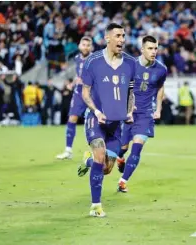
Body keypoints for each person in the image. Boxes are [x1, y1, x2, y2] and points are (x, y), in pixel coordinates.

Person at [77, 23, 136, 217]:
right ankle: (96, 206)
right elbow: (85, 93)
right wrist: (95, 111)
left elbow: (130, 92)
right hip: (96, 120)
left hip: (116, 124)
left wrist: (129, 113)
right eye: (118, 36)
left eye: (124, 36)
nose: (122, 40)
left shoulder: (130, 63)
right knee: (100, 155)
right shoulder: (92, 61)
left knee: (106, 169)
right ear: (107, 38)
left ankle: (88, 161)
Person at [114, 35, 167, 193]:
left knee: (137, 148)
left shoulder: (161, 69)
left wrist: (158, 109)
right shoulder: (129, 65)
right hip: (128, 113)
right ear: (142, 49)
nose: (153, 52)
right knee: (123, 147)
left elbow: (160, 89)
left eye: (156, 48)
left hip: (146, 114)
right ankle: (120, 157)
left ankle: (123, 181)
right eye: (150, 48)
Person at [56, 37, 93, 159]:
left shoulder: (95, 60)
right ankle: (68, 151)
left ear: (91, 47)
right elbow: (79, 74)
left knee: (96, 121)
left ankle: (101, 149)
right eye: (84, 44)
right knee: (72, 119)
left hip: (92, 94)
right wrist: (73, 83)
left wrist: (86, 81)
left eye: (88, 45)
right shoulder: (77, 58)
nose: (86, 47)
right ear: (79, 46)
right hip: (78, 93)